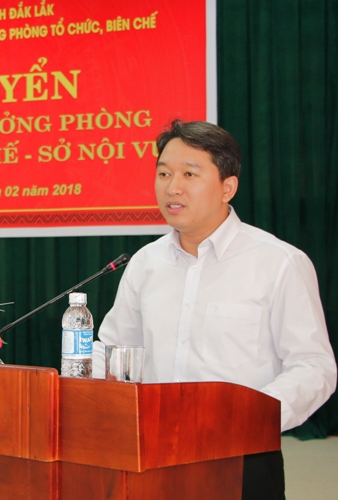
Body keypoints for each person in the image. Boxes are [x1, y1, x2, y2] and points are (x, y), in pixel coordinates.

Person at [92, 119, 337, 500]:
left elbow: (314, 366)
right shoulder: (145, 263)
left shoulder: (279, 262)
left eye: (189, 174)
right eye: (164, 173)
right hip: (152, 453)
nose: (172, 187)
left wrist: (249, 419)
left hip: (242, 455)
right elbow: (112, 349)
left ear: (228, 187)